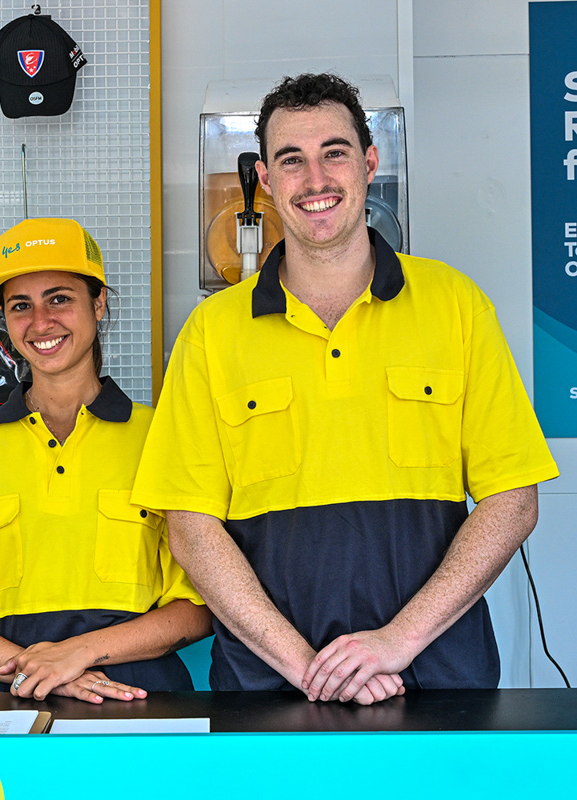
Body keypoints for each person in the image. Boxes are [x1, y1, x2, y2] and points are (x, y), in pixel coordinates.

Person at [133, 73, 558, 705]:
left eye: (334, 152)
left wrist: (396, 642)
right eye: (291, 160)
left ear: (369, 163)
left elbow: (513, 499)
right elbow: (190, 525)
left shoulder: (455, 306)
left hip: (438, 679)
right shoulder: (212, 333)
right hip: (268, 688)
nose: (316, 179)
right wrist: (307, 665)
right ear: (266, 180)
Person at [0, 218, 211, 702]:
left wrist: (77, 655)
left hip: (141, 702)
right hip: (7, 705)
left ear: (98, 303)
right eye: (20, 305)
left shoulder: (160, 437)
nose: (41, 322)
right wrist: (46, 675)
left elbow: (197, 608)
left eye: (59, 298)